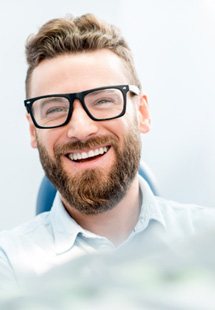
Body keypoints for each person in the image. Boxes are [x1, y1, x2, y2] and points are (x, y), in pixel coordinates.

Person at [0, 13, 214, 286]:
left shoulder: (208, 241)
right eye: (54, 109)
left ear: (143, 113)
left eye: (102, 100)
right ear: (33, 130)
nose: (80, 128)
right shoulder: (9, 265)